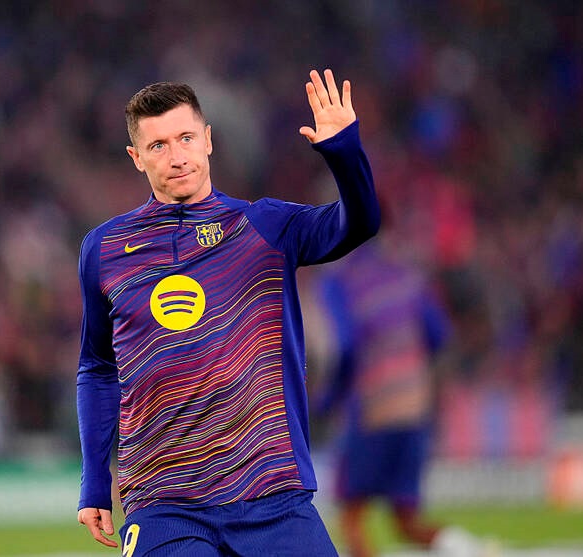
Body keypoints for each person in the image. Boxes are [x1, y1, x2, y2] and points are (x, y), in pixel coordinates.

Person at [75, 68, 380, 557]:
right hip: (164, 503)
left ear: (208, 140)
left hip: (272, 493)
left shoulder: (263, 227)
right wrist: (94, 482)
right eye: (158, 146)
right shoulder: (104, 249)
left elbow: (359, 223)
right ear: (136, 157)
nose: (177, 157)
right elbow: (97, 367)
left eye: (186, 138)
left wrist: (344, 152)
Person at [314, 215, 487, 557]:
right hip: (414, 410)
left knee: (350, 517)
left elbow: (346, 348)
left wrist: (328, 399)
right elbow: (439, 335)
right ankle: (470, 550)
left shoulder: (338, 281)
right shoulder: (408, 277)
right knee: (406, 522)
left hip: (372, 410)